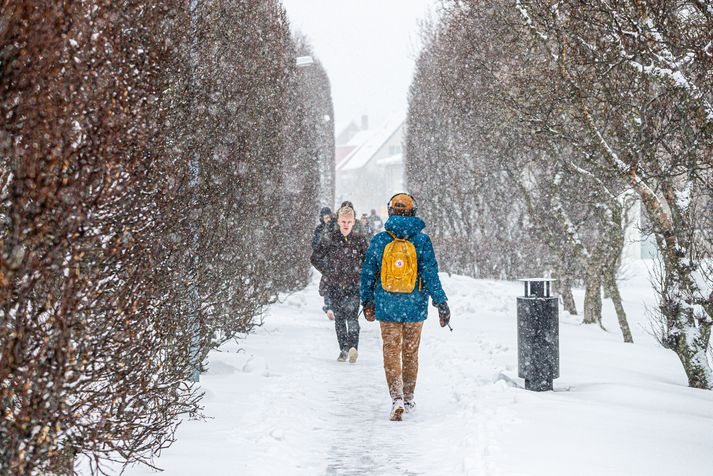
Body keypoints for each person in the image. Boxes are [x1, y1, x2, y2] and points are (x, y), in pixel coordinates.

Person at [360, 193, 450, 421]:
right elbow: (430, 273)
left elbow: (367, 273)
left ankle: (396, 398)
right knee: (410, 353)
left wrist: (367, 300)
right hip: (414, 305)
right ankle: (408, 398)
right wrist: (441, 302)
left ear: (390, 212)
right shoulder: (421, 241)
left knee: (391, 351)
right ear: (413, 212)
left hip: (387, 305)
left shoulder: (381, 240)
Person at [311, 206, 369, 363]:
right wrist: (328, 270)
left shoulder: (359, 239)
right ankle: (343, 349)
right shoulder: (330, 238)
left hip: (354, 285)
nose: (346, 224)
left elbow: (369, 261)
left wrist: (362, 272)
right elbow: (315, 257)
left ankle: (352, 349)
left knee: (352, 317)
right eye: (343, 221)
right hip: (335, 284)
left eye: (349, 222)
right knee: (339, 318)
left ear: (353, 222)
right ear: (338, 221)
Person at [312, 207, 334, 317]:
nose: (328, 219)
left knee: (333, 282)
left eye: (329, 217)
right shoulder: (319, 229)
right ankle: (329, 305)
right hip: (325, 261)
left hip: (335, 259)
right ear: (322, 218)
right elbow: (314, 244)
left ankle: (332, 305)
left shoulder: (335, 227)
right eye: (326, 218)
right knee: (327, 282)